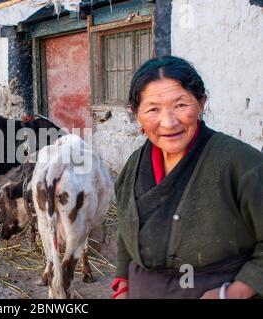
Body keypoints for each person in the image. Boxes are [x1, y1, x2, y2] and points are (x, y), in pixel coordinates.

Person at [111, 56, 263, 299]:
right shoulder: (134, 166)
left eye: (181, 105)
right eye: (153, 109)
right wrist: (123, 284)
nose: (169, 122)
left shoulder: (241, 162)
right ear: (136, 114)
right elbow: (127, 229)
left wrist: (233, 293)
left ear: (201, 103)